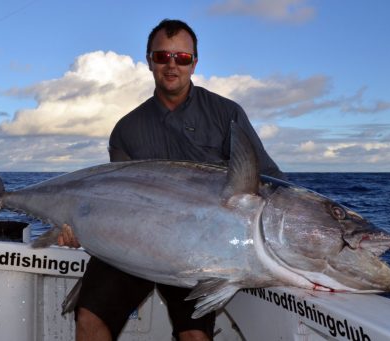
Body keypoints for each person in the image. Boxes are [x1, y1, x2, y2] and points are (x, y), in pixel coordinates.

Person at [59, 19, 286, 341]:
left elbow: (269, 180)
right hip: (131, 245)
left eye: (182, 58)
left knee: (194, 335)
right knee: (89, 319)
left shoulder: (225, 114)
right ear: (149, 60)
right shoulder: (127, 129)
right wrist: (79, 230)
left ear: (195, 63)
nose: (172, 65)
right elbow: (116, 200)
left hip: (201, 252)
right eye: (162, 56)